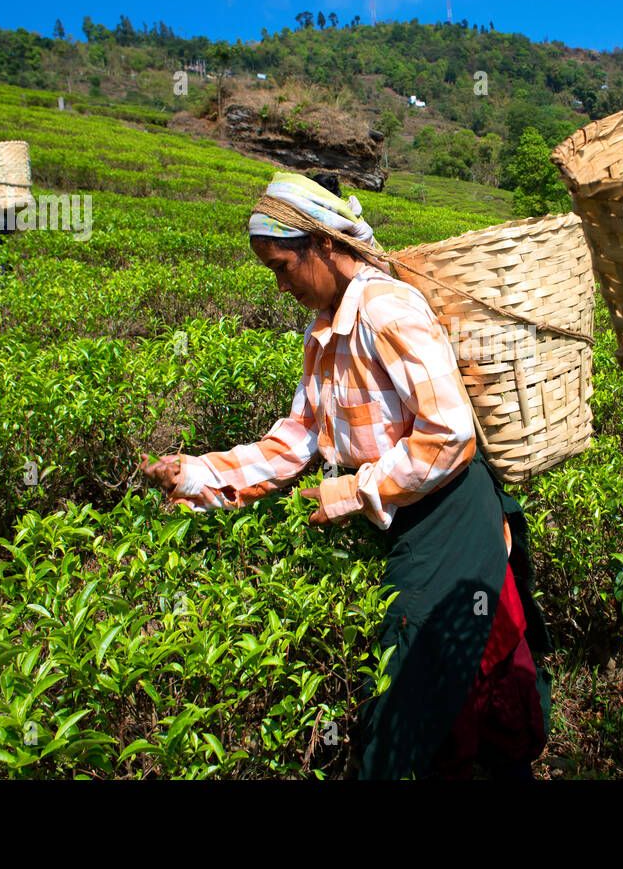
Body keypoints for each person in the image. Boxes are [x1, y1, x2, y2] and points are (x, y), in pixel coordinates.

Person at [140, 171, 551, 779]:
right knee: (422, 696)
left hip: (450, 512)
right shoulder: (325, 327)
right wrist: (200, 475)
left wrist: (356, 491)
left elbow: (450, 434)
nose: (280, 285)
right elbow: (299, 436)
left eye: (283, 266)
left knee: (421, 696)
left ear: (326, 246)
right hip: (404, 512)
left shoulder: (388, 309)